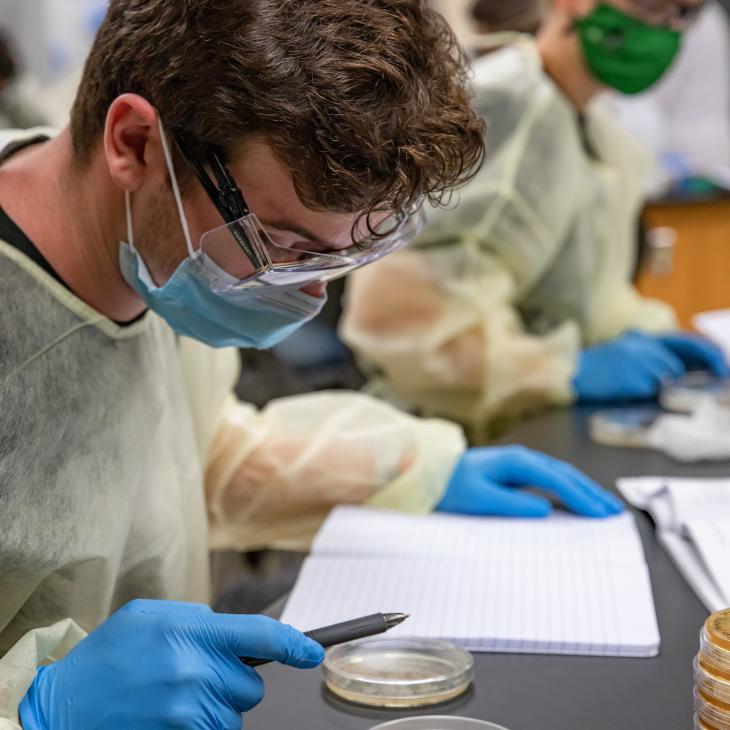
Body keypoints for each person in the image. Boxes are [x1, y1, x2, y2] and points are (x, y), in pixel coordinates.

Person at [0, 2, 624, 728]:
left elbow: (192, 457)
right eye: (288, 247)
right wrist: (36, 712)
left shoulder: (147, 252)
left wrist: (414, 470)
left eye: (344, 255)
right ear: (136, 143)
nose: (312, 294)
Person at [340, 0, 728, 441]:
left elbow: (588, 295)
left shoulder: (597, 128)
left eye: (684, 14)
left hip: (532, 421)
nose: (666, 28)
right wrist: (563, 370)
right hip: (444, 431)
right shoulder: (504, 103)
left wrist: (647, 336)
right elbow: (410, 321)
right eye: (652, 7)